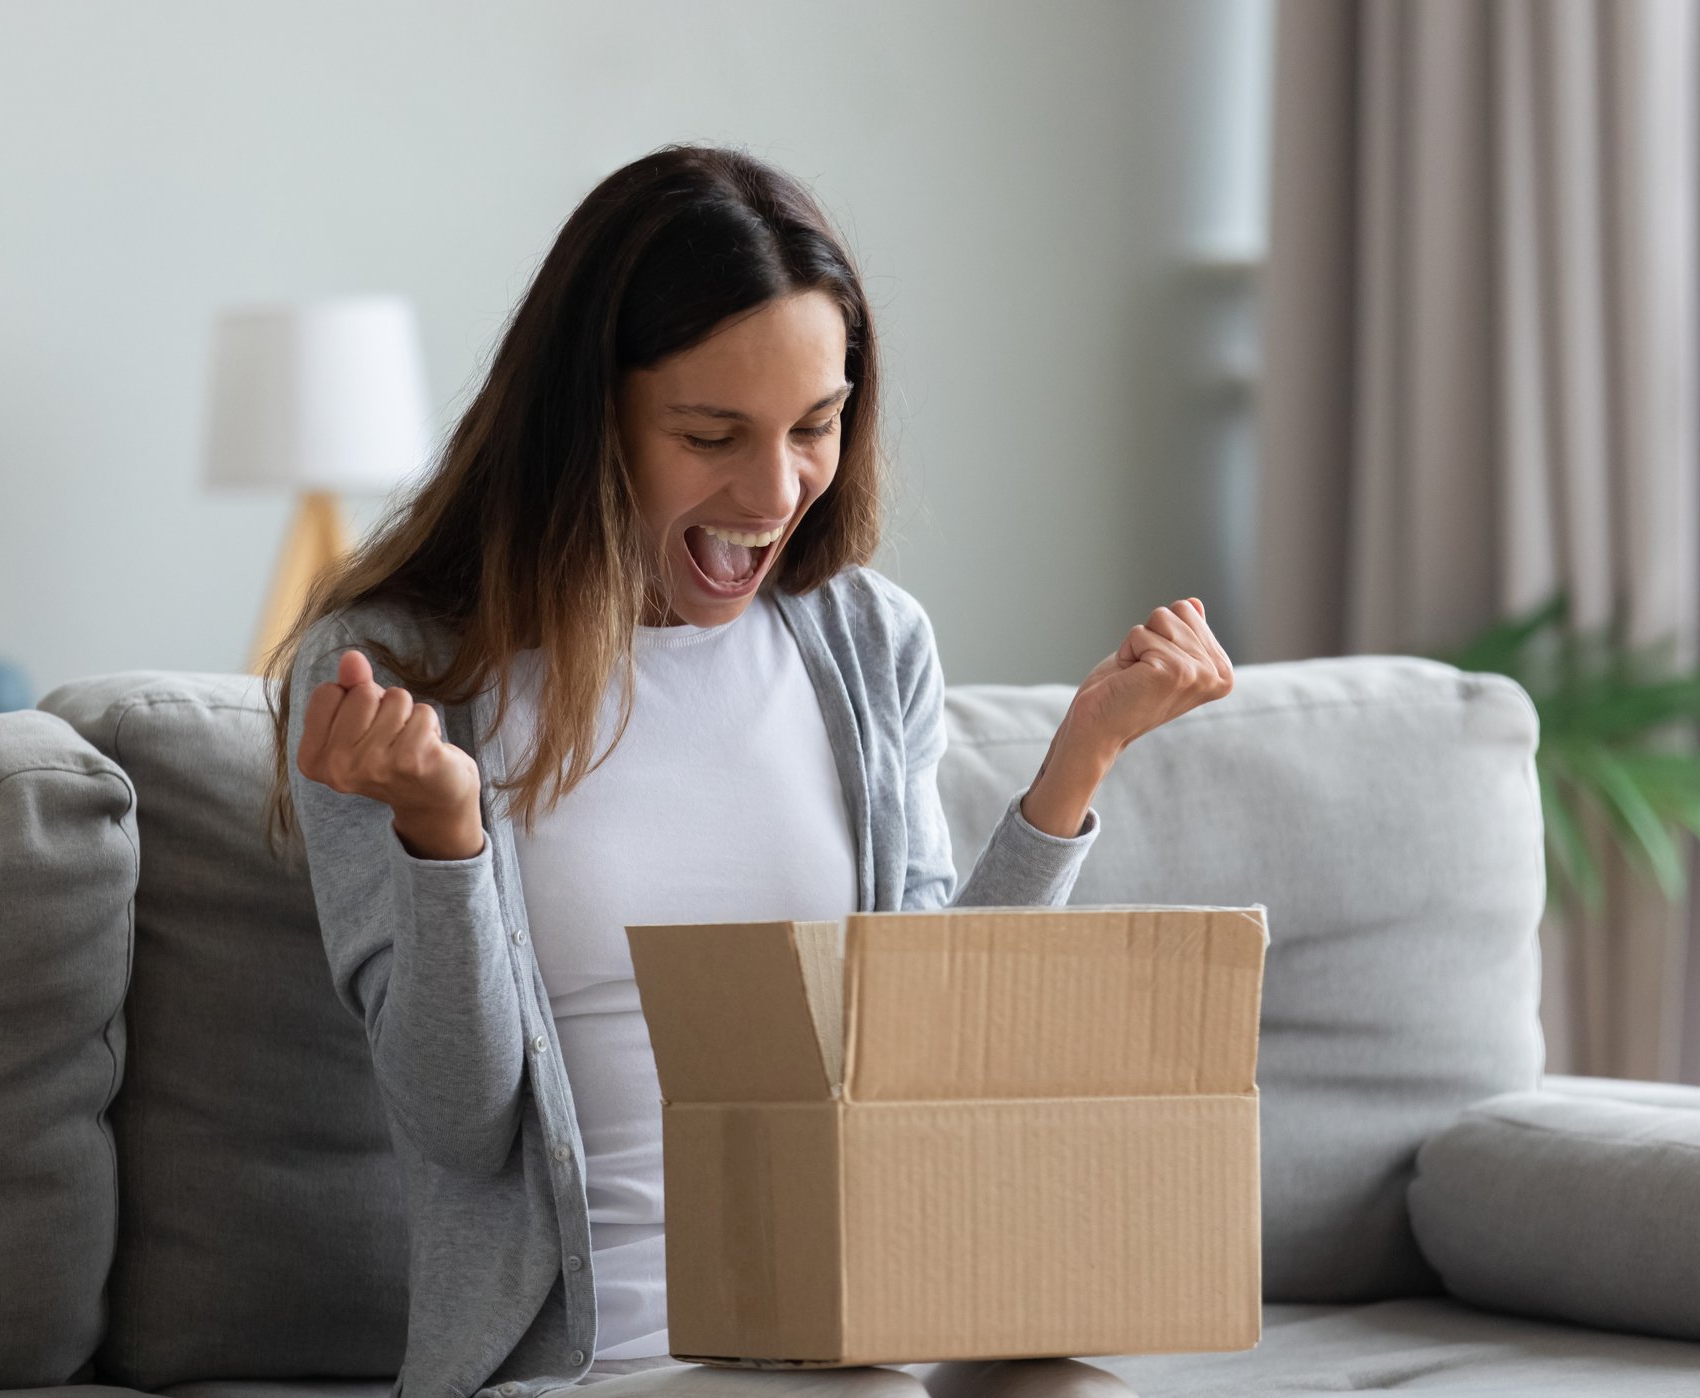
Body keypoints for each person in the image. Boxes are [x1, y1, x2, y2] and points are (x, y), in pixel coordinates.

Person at [264, 143, 1234, 1398]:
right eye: (712, 434)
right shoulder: (393, 674)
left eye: (815, 427)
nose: (774, 492)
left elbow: (925, 1065)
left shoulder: (869, 642)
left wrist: (1080, 758)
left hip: (875, 1321)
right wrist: (445, 836)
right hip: (595, 1364)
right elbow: (457, 1119)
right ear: (588, 417)